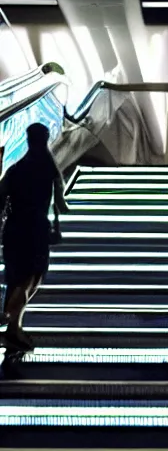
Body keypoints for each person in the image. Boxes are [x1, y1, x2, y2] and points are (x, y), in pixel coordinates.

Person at [0, 123, 69, 351]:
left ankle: (13, 329)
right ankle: (9, 316)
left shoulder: (15, 168)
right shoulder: (49, 168)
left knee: (15, 278)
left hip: (13, 229)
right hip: (36, 229)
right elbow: (61, 204)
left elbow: (1, 200)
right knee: (31, 277)